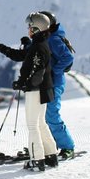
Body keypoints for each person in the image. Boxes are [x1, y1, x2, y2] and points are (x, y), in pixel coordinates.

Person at [0, 12, 59, 170]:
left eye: (30, 27)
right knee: (40, 123)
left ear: (37, 28)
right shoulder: (39, 44)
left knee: (33, 125)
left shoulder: (38, 47)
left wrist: (24, 84)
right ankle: (51, 156)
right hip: (44, 89)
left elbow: (37, 70)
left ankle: (37, 160)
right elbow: (19, 55)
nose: (28, 29)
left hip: (36, 90)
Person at [39, 10, 76, 159]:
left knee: (52, 115)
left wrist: (53, 71)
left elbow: (67, 57)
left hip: (54, 83)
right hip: (47, 83)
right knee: (43, 116)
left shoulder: (53, 39)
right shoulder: (48, 36)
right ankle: (50, 144)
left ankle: (67, 147)